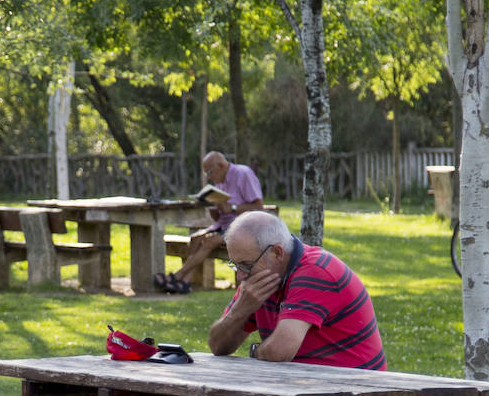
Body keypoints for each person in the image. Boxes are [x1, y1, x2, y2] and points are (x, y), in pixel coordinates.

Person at [208, 210, 386, 369]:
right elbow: (217, 346)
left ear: (277, 253)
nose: (240, 276)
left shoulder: (315, 271)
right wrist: (239, 310)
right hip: (311, 385)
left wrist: (256, 351)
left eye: (246, 265)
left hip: (359, 392)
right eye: (235, 265)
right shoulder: (259, 279)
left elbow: (279, 352)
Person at [155, 150, 265, 294]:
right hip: (224, 226)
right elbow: (220, 217)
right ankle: (184, 283)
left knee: (209, 242)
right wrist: (215, 210)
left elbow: (258, 207)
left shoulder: (243, 174)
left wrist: (232, 207)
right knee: (195, 239)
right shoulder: (219, 183)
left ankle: (177, 276)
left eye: (210, 172)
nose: (209, 177)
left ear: (221, 165)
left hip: (243, 227)